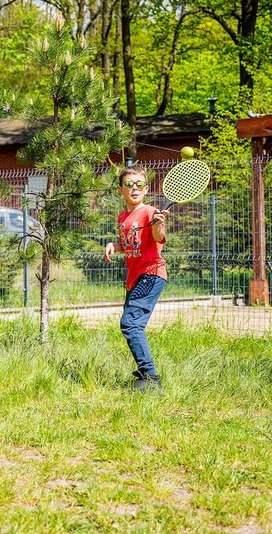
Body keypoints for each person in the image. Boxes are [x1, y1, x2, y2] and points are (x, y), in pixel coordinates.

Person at [103, 164, 169, 391]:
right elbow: (131, 245)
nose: (134, 188)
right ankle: (145, 374)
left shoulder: (150, 212)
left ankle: (150, 377)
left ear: (146, 188)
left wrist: (159, 225)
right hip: (135, 277)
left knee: (130, 324)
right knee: (132, 325)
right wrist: (114, 246)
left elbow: (158, 236)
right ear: (121, 189)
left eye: (139, 184)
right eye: (129, 184)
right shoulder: (123, 217)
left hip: (151, 273)